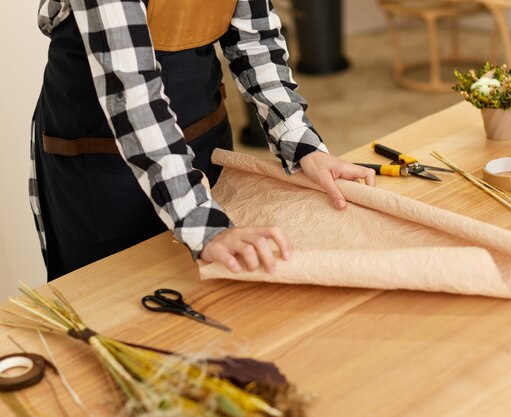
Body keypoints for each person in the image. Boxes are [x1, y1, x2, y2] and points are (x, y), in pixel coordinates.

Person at [32, 0, 376, 281]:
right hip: (103, 162)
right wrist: (200, 221)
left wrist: (301, 144)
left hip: (201, 132)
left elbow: (255, 42)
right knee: (117, 298)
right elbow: (132, 97)